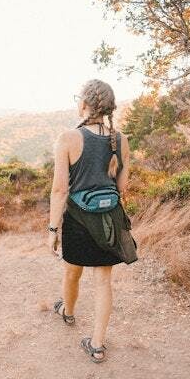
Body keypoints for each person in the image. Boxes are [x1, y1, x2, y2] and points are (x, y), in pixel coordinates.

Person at [47, 79, 132, 363]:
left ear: (84, 104)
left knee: (72, 272)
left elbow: (60, 189)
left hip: (78, 220)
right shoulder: (120, 139)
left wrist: (52, 229)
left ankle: (67, 312)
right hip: (109, 220)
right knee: (103, 283)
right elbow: (122, 186)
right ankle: (97, 345)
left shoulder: (68, 138)